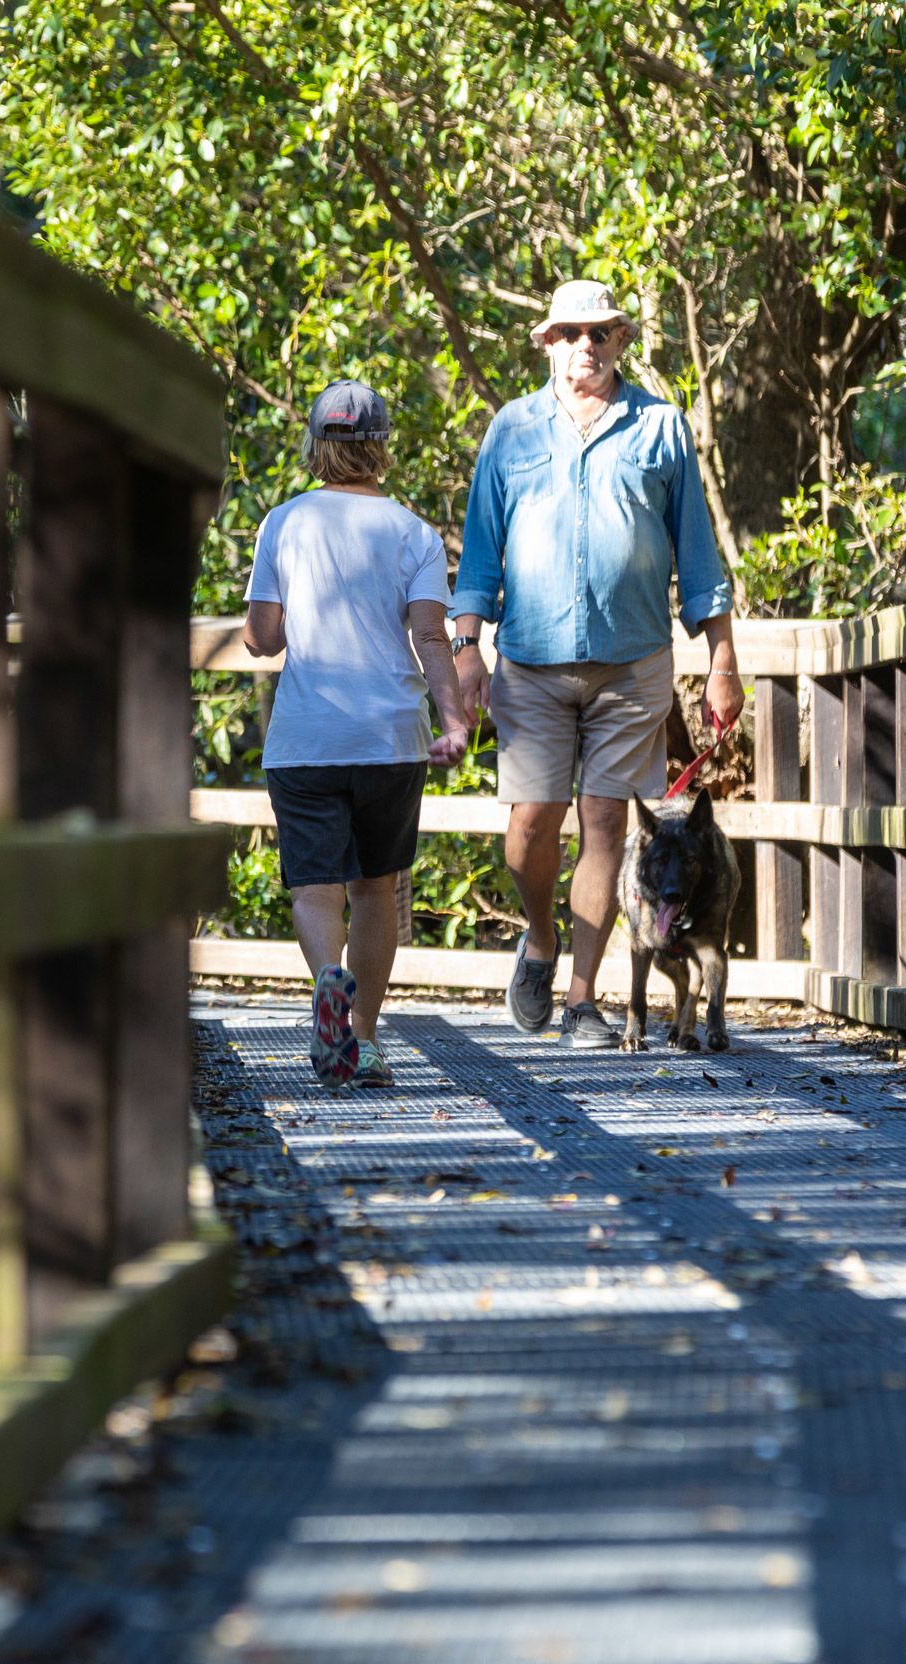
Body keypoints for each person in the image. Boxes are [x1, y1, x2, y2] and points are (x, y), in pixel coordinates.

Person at [450, 278, 743, 1049]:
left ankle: (582, 1000)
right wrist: (466, 649)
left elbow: (699, 556)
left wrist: (721, 661)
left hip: (633, 663)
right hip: (531, 659)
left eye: (601, 332)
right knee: (530, 824)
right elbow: (479, 553)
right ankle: (541, 941)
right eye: (571, 332)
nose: (587, 344)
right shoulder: (511, 430)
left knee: (608, 822)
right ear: (548, 342)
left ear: (620, 340)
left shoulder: (660, 427)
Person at [244, 380, 472, 1089]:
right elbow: (430, 637)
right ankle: (364, 1038)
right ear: (381, 448)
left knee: (315, 888)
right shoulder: (413, 532)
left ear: (315, 444)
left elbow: (261, 637)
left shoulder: (283, 523)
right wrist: (455, 719)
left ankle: (327, 982)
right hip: (389, 738)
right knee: (376, 888)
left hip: (306, 738)